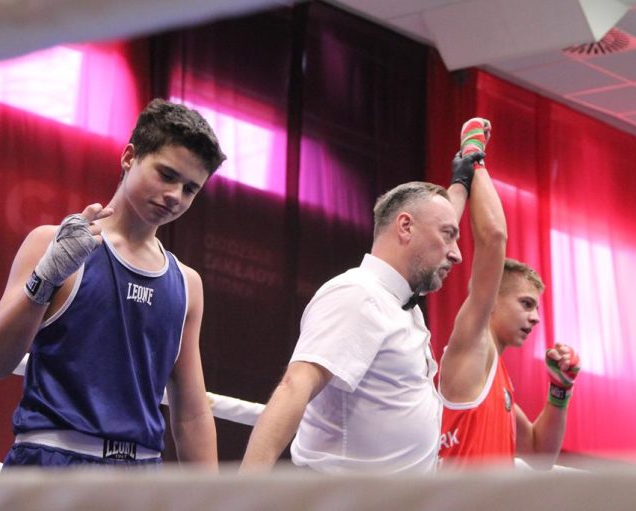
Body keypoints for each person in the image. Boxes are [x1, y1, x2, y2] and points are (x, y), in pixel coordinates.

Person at [0, 98, 225, 468]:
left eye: (190, 189)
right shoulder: (49, 244)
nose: (175, 196)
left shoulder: (187, 284)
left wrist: (216, 497)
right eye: (166, 175)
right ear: (129, 157)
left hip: (139, 473)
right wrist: (46, 277)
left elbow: (191, 413)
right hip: (51, 463)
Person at [239, 169, 487, 473]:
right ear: (405, 227)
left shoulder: (398, 302)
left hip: (389, 494)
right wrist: (246, 490)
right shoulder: (359, 294)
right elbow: (295, 386)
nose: (457, 255)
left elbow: (432, 218)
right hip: (343, 492)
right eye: (449, 235)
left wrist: (460, 183)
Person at [437, 118, 581, 470]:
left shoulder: (495, 377)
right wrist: (475, 158)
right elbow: (494, 239)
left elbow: (539, 457)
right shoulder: (474, 346)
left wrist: (559, 390)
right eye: (526, 303)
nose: (535, 317)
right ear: (491, 301)